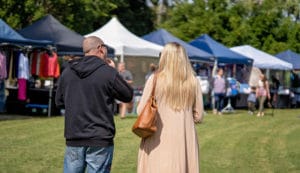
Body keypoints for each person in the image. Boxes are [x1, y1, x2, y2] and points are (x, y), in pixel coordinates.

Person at [55, 36, 133, 173]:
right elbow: (127, 94)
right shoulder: (107, 72)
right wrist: (113, 73)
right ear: (100, 49)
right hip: (99, 137)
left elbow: (59, 101)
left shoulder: (68, 71)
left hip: (75, 135)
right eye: (105, 48)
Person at [136, 42, 204, 173]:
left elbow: (140, 111)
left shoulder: (154, 79)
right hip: (184, 140)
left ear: (165, 57)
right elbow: (199, 115)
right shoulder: (193, 82)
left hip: (157, 139)